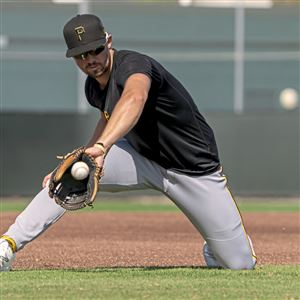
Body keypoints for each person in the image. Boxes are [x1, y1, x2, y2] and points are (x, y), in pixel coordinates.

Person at [0, 14, 256, 271]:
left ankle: (217, 241)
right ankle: (7, 245)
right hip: (142, 159)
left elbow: (134, 98)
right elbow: (107, 117)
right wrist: (88, 154)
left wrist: (101, 147)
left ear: (108, 41)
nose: (90, 59)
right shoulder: (94, 87)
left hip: (193, 170)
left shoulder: (134, 65)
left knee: (239, 264)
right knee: (67, 178)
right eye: (81, 55)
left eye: (95, 49)